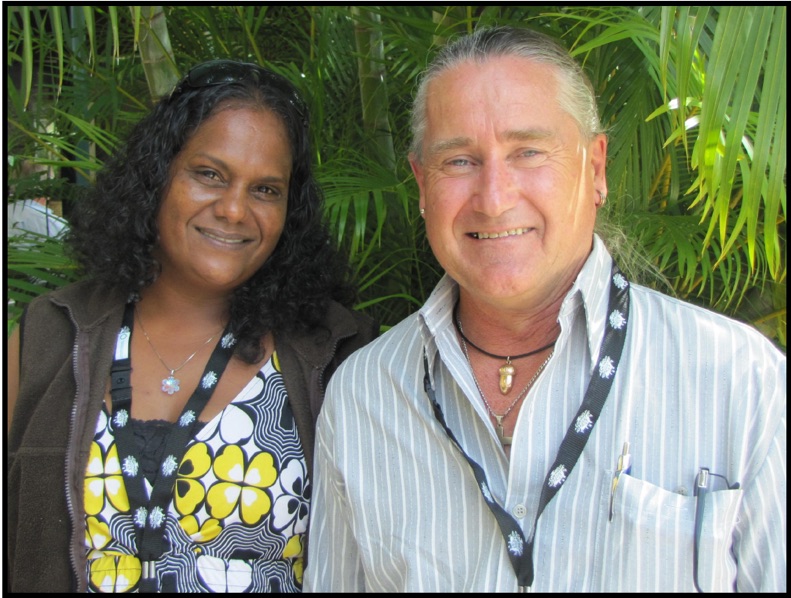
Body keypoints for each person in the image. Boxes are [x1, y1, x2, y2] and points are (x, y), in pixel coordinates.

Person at [304, 26, 786, 592]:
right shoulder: (364, 395)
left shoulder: (739, 379)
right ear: (421, 184)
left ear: (596, 167)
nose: (494, 197)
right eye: (459, 161)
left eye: (528, 152)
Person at [7, 59, 377, 593]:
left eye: (266, 190)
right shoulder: (51, 336)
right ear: (158, 175)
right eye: (210, 174)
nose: (233, 209)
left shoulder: (335, 355)